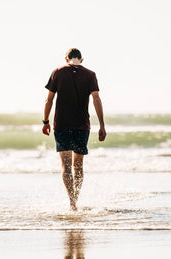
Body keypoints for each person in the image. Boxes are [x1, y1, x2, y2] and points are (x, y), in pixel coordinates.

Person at [42, 48, 106, 211]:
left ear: (66, 59)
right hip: (82, 125)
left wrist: (45, 121)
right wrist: (102, 125)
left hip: (62, 125)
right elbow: (96, 98)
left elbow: (49, 99)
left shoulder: (57, 72)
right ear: (81, 60)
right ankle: (75, 200)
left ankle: (71, 202)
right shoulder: (90, 75)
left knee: (66, 166)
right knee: (78, 166)